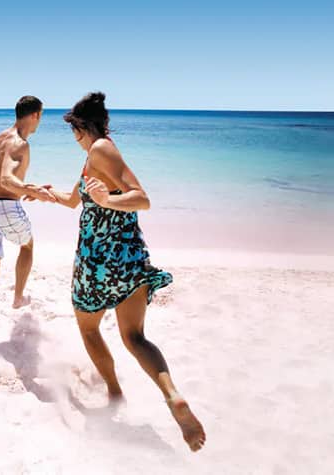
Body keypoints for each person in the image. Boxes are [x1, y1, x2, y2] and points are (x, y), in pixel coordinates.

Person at [45, 92, 206, 451]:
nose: (74, 139)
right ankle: (172, 395)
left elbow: (141, 198)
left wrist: (107, 200)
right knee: (134, 337)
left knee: (89, 329)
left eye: (74, 131)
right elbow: (73, 201)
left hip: (97, 264)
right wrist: (44, 193)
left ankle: (115, 392)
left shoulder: (101, 149)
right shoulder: (95, 157)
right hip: (128, 261)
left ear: (82, 127)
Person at [0, 95, 55, 362]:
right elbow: (6, 179)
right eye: (41, 116)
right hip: (4, 206)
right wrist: (33, 191)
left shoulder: (1, 137)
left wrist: (28, 188)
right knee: (27, 245)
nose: (40, 121)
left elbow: (0, 176)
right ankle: (17, 297)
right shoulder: (21, 143)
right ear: (35, 115)